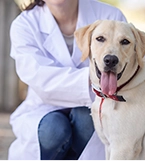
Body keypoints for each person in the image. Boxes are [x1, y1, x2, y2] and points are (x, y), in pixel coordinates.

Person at [8, 0, 127, 160]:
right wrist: (95, 77)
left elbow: (131, 66)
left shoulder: (111, 16)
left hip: (99, 104)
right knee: (53, 129)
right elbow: (41, 80)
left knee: (86, 118)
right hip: (43, 107)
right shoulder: (24, 25)